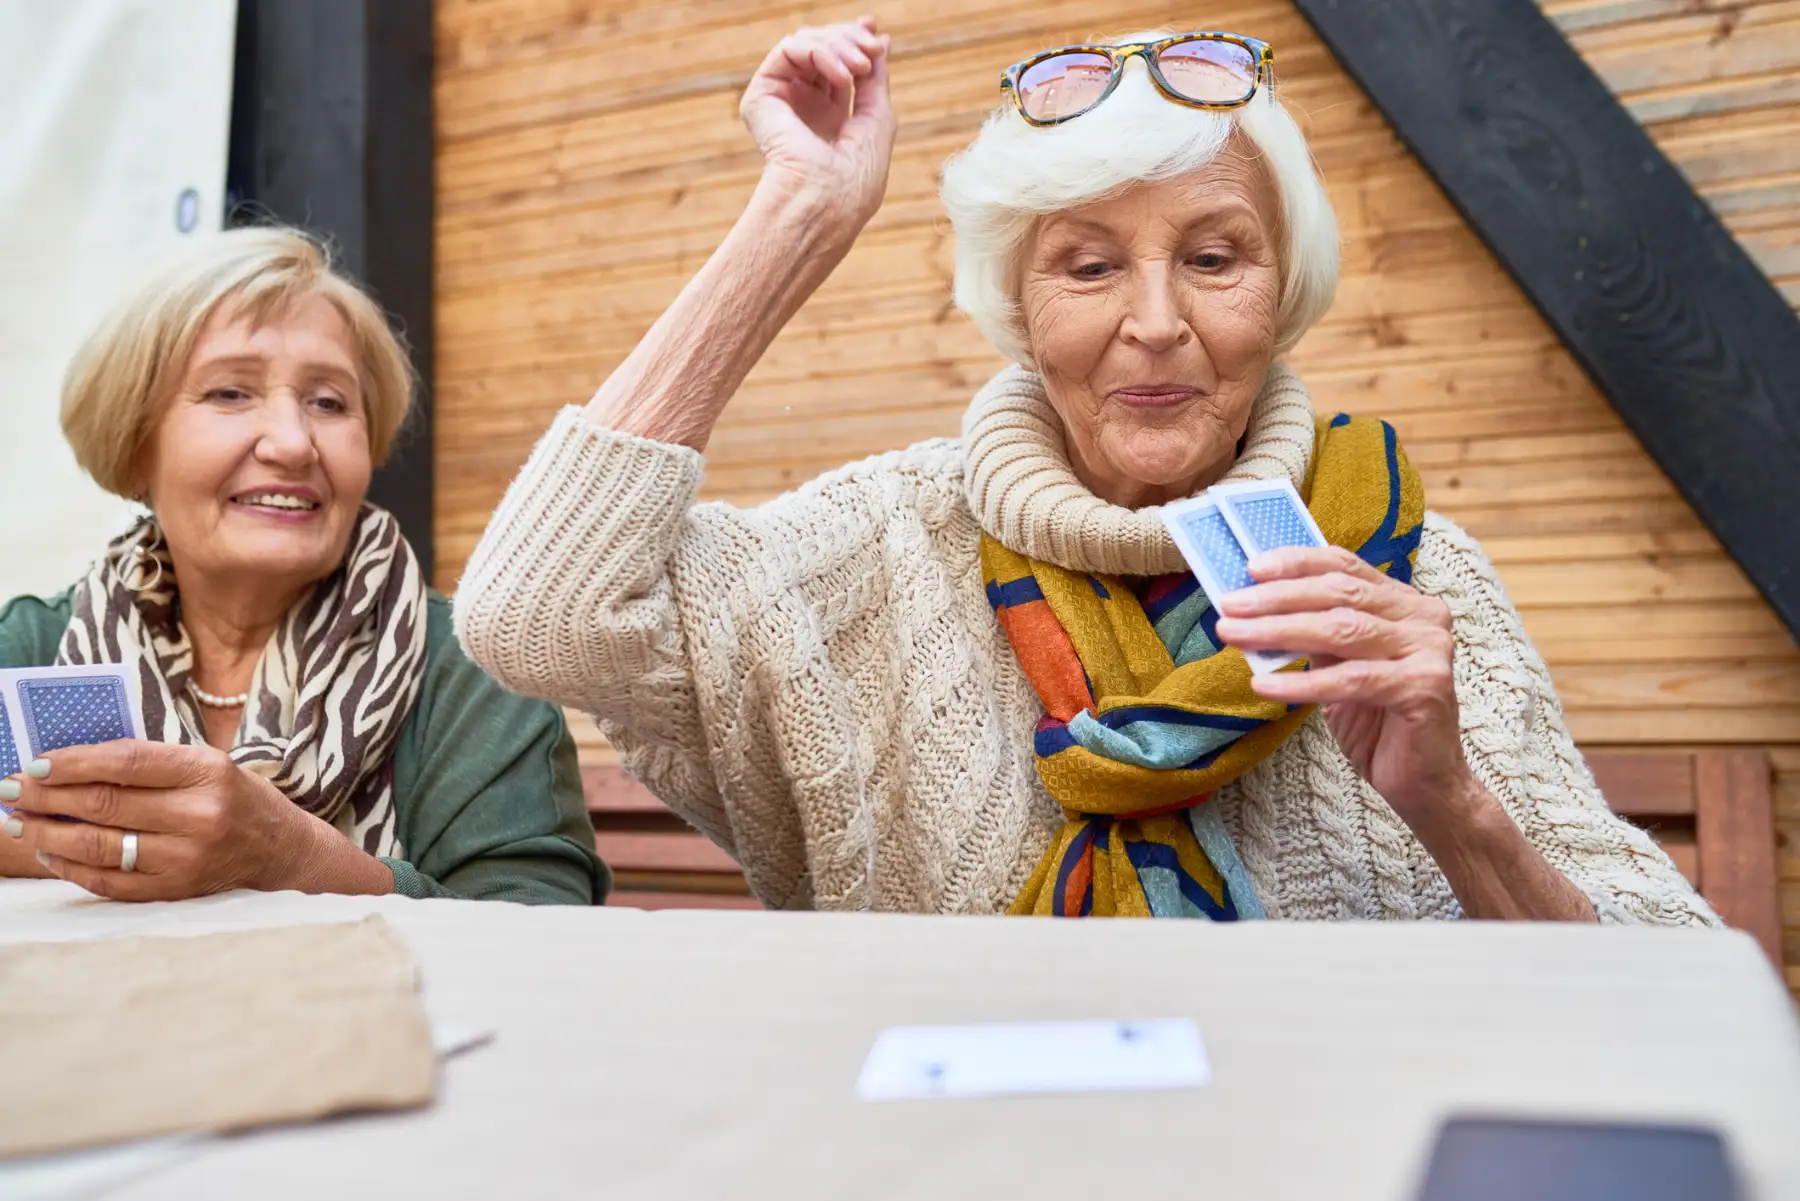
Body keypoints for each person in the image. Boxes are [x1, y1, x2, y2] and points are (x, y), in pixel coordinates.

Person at [455, 20, 1712, 924]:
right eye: (1090, 265)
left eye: (1215, 259)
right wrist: (798, 220)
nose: (1156, 321)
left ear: (1285, 296)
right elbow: (534, 616)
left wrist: (1456, 807)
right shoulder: (884, 539)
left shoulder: (1411, 576)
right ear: (1018, 305)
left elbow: (1674, 982)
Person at [0, 228, 608, 904]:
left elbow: (545, 930)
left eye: (329, 402)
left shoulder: (473, 669)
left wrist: (291, 858)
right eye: (231, 392)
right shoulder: (33, 648)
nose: (293, 442)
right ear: (135, 441)